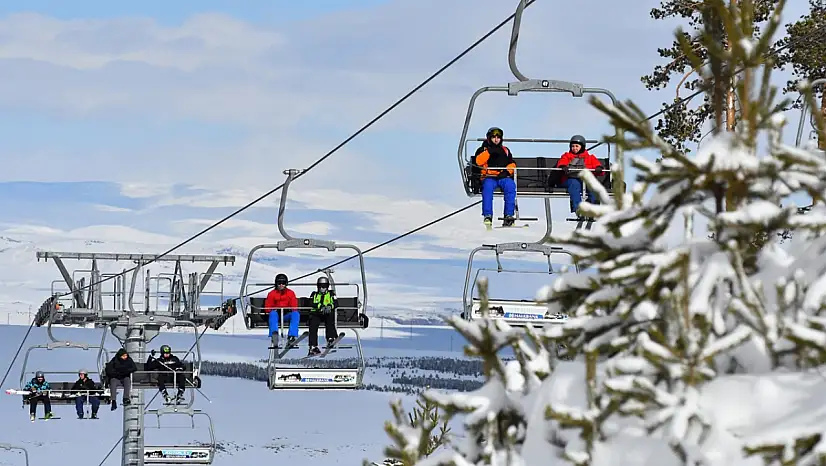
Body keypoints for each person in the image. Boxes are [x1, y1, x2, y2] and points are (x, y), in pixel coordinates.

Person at [474, 127, 517, 227]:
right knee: (487, 188)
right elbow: (478, 161)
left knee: (510, 186)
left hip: (502, 176)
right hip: (489, 177)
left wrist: (506, 172)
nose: (496, 139)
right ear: (489, 138)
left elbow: (512, 164)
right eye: (493, 137)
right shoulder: (483, 150)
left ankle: (508, 215)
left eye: (498, 137)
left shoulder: (505, 150)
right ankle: (488, 215)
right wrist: (489, 152)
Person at [554, 134, 604, 217]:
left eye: (577, 146)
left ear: (582, 147)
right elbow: (562, 162)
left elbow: (598, 166)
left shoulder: (590, 158)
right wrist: (563, 167)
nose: (574, 148)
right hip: (570, 180)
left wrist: (598, 168)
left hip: (584, 181)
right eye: (573, 146)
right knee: (574, 183)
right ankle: (578, 208)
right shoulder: (567, 156)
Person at [264, 273, 300, 348]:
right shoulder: (272, 294)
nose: (281, 285)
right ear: (276, 284)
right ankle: (275, 336)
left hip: (286, 315)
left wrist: (289, 309)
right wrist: (275, 309)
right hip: (276, 315)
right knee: (273, 314)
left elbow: (294, 307)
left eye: (283, 283)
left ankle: (291, 337)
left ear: (286, 284)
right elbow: (267, 308)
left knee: (295, 314)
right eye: (279, 283)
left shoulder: (290, 293)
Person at [307, 276, 339, 356]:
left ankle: (330, 338)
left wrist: (329, 306)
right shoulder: (314, 294)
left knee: (330, 319)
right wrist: (320, 306)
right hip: (316, 313)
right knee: (313, 325)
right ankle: (313, 346)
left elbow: (336, 303)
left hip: (327, 313)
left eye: (324, 286)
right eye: (320, 286)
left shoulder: (331, 294)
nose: (322, 288)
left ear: (327, 287)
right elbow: (310, 303)